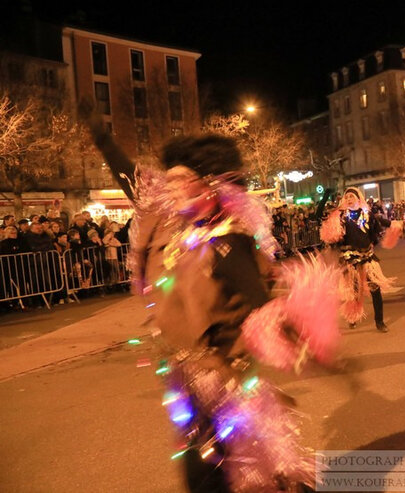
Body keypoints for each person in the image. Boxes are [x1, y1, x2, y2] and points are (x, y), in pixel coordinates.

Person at [91, 118, 336, 492]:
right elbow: (135, 182)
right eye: (168, 180)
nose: (168, 188)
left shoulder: (229, 241)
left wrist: (310, 345)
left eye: (178, 180)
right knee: (222, 471)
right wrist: (103, 138)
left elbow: (261, 305)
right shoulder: (171, 227)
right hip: (184, 375)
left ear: (211, 185)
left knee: (235, 471)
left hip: (225, 379)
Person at [320, 186, 398, 332]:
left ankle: (379, 322)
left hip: (367, 256)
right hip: (350, 259)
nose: (349, 199)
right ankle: (352, 316)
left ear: (358, 198)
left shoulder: (367, 214)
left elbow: (379, 221)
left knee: (375, 289)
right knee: (354, 291)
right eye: (347, 197)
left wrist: (394, 224)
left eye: (351, 197)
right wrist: (325, 196)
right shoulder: (341, 216)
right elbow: (319, 216)